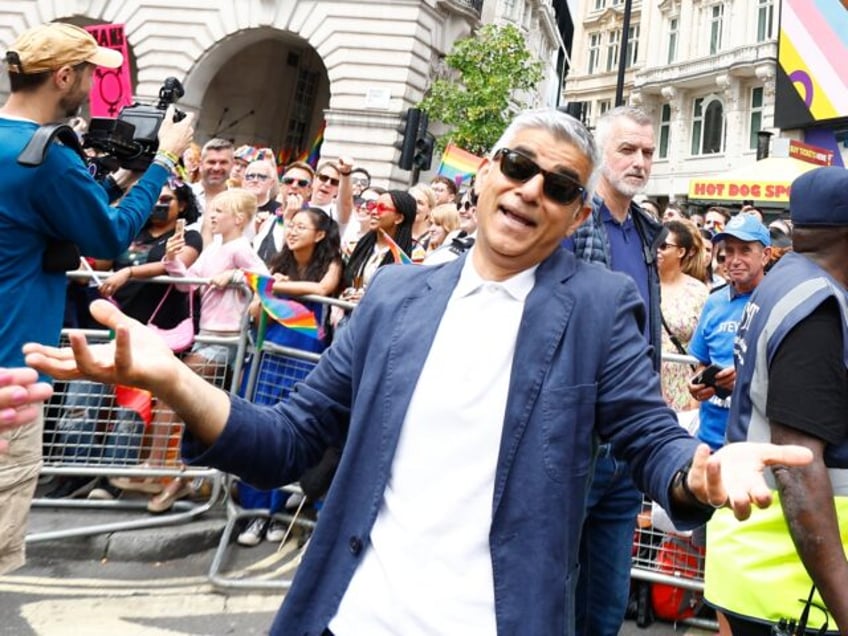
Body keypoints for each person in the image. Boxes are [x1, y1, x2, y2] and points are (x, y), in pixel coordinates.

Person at [24, 109, 812, 636]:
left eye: (561, 186)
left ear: (576, 215)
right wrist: (175, 381)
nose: (532, 189)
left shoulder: (600, 304)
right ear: (486, 178)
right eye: (518, 166)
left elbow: (647, 436)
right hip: (350, 613)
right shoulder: (399, 294)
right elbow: (291, 440)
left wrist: (697, 476)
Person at [0, 21, 194, 574]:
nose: (91, 85)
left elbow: (48, 211)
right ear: (63, 76)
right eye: (87, 73)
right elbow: (109, 236)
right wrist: (162, 163)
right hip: (12, 376)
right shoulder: (47, 156)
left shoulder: (21, 149)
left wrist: (111, 181)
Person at [705, 166, 848, 635]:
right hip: (790, 583)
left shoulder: (788, 278)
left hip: (766, 566)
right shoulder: (816, 308)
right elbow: (799, 468)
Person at [564, 105, 664, 636]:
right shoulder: (572, 222)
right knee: (553, 593)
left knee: (605, 603)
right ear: (601, 152)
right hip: (577, 440)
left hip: (628, 448)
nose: (640, 161)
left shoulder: (646, 232)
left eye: (648, 151)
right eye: (628, 149)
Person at [237, 206, 342, 546]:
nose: (292, 231)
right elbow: (256, 305)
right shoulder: (277, 264)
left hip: (305, 361)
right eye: (290, 225)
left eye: (301, 226)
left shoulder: (330, 264)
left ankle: (280, 512)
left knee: (296, 435)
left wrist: (280, 288)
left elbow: (323, 289)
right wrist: (266, 292)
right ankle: (255, 515)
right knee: (260, 432)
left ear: (320, 234)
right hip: (270, 356)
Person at [688, 214, 771, 451]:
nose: (734, 260)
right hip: (709, 441)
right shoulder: (714, 302)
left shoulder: (777, 302)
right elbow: (702, 362)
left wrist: (746, 380)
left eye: (745, 251)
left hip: (755, 446)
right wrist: (697, 383)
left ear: (765, 255)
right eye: (728, 251)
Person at [658, 220, 709, 412]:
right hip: (644, 387)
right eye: (655, 244)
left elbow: (707, 348)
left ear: (681, 252)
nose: (658, 251)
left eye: (664, 246)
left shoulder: (698, 293)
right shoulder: (639, 284)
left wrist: (695, 401)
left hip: (684, 392)